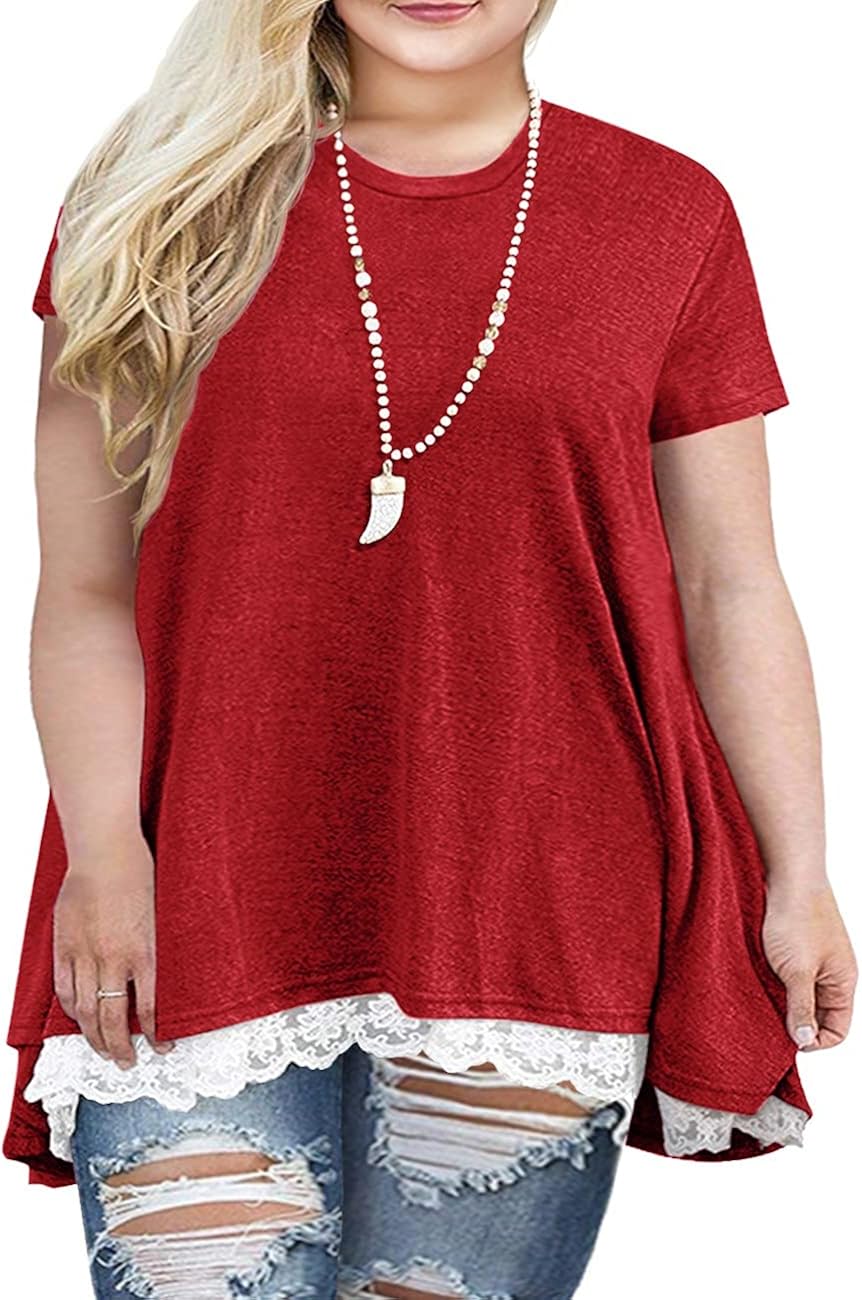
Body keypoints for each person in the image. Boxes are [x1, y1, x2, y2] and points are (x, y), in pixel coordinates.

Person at [4, 1, 857, 1297]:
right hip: (196, 893)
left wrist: (798, 872)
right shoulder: (155, 198)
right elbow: (84, 588)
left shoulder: (664, 212)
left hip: (542, 901)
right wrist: (107, 854)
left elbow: (727, 584)